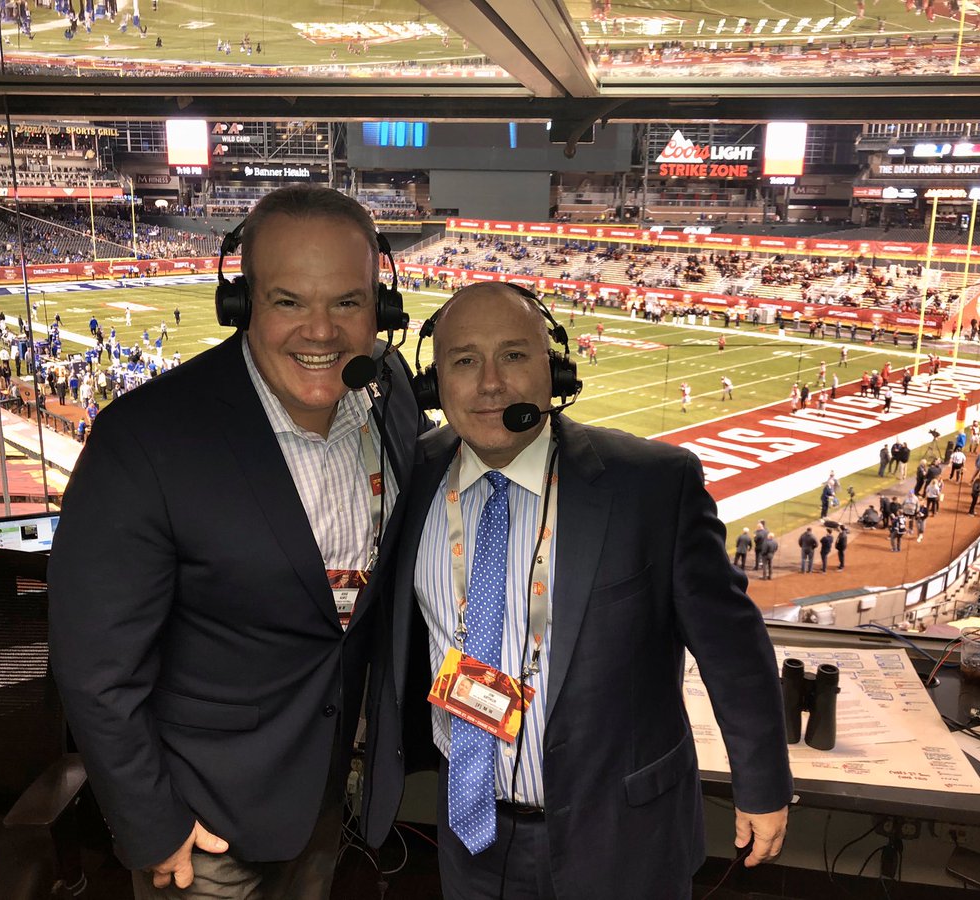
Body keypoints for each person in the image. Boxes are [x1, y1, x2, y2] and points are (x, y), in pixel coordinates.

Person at [48, 186, 426, 899]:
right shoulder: (146, 438)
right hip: (202, 823)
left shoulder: (390, 395)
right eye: (288, 301)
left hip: (323, 798)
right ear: (241, 302)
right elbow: (95, 668)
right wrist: (153, 822)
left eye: (348, 302)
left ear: (382, 306)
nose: (322, 331)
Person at [364, 283, 792, 900]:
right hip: (469, 833)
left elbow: (733, 645)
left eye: (514, 355)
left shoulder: (651, 484)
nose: (490, 383)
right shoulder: (415, 471)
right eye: (464, 360)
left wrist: (763, 783)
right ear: (434, 383)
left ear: (555, 370)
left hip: (620, 837)